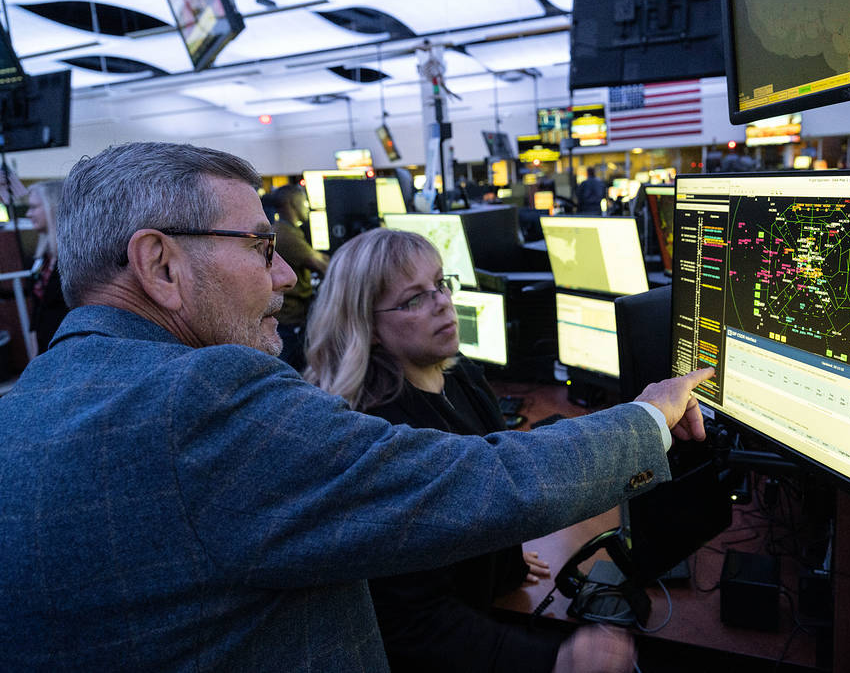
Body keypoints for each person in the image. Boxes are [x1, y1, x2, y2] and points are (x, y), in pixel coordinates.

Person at [0, 141, 713, 671]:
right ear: (159, 264)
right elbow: (467, 484)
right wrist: (647, 417)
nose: (283, 274)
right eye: (260, 246)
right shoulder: (197, 395)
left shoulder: (23, 406)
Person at [306, 228, 602, 672]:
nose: (443, 302)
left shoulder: (459, 376)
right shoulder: (381, 432)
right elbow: (411, 621)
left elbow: (488, 480)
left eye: (440, 284)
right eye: (413, 300)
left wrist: (500, 558)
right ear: (367, 328)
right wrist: (557, 661)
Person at [270, 183, 329, 370]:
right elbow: (321, 265)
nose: (307, 206)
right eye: (303, 202)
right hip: (291, 320)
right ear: (292, 203)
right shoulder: (285, 235)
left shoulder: (288, 230)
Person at [24, 179, 69, 354]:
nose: (28, 214)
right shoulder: (44, 257)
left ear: (53, 207)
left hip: (68, 350)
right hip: (46, 349)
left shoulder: (74, 258)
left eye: (34, 207)